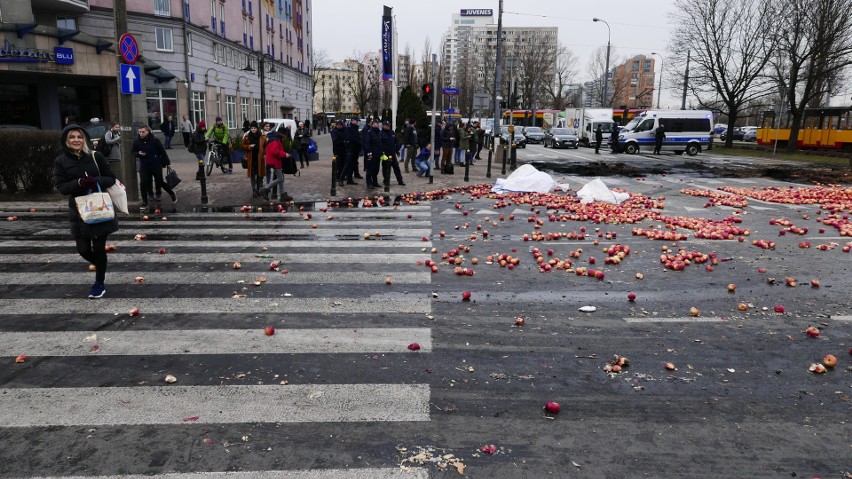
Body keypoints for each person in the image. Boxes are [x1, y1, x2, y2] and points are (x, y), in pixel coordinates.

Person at [53, 124, 119, 299]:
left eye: (79, 137)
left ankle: (99, 283)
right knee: (83, 250)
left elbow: (111, 178)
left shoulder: (96, 156)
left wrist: (95, 180)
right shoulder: (61, 161)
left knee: (98, 248)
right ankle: (101, 265)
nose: (76, 140)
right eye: (72, 137)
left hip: (99, 207)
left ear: (85, 140)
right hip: (78, 211)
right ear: (66, 141)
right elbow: (61, 187)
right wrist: (79, 183)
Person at [133, 125, 177, 207]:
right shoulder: (137, 141)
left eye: (143, 132)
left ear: (147, 132)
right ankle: (145, 202)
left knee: (160, 181)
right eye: (140, 132)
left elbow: (162, 151)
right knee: (143, 183)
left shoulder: (154, 140)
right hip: (144, 165)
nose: (141, 134)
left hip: (156, 164)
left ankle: (171, 193)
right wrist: (138, 153)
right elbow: (133, 151)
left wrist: (166, 162)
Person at [260, 130, 292, 202]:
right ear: (283, 135)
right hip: (275, 161)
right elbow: (275, 152)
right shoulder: (275, 140)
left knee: (280, 177)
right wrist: (284, 154)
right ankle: (265, 189)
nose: (284, 138)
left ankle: (282, 194)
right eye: (284, 136)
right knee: (280, 178)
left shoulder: (275, 139)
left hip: (275, 161)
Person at [241, 121, 267, 198]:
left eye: (254, 128)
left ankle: (258, 189)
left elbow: (266, 145)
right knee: (252, 175)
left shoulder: (262, 136)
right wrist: (249, 146)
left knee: (259, 175)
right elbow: (243, 146)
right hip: (251, 159)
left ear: (257, 128)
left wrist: (263, 153)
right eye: (252, 128)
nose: (253, 129)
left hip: (260, 158)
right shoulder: (247, 136)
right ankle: (254, 190)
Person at [380, 120, 405, 187]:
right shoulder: (381, 133)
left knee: (396, 167)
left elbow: (396, 142)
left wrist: (397, 151)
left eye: (389, 125)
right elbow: (380, 144)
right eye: (386, 125)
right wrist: (382, 153)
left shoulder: (392, 132)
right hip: (385, 153)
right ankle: (386, 180)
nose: (388, 127)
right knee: (385, 168)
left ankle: (400, 180)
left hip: (392, 153)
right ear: (383, 125)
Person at [332, 120, 354, 186]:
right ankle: (337, 176)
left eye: (340, 125)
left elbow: (347, 138)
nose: (339, 126)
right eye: (338, 125)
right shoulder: (334, 131)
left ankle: (343, 175)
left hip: (344, 150)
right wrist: (343, 142)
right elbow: (335, 141)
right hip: (337, 150)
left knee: (344, 163)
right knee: (338, 164)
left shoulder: (345, 131)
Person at [363, 119, 383, 189]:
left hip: (378, 154)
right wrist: (369, 153)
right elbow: (367, 143)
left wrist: (381, 152)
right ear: (372, 124)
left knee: (376, 169)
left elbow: (380, 143)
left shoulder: (379, 133)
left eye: (376, 123)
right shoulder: (369, 132)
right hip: (371, 154)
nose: (375, 124)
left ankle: (375, 182)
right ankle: (369, 183)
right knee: (370, 169)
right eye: (374, 123)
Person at [343, 117, 363, 183]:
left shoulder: (356, 128)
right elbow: (351, 138)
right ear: (352, 121)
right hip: (351, 149)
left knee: (353, 165)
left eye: (357, 121)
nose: (357, 122)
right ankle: (341, 178)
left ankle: (350, 179)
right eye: (356, 121)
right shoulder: (349, 128)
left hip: (356, 149)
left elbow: (358, 137)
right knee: (348, 165)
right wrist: (359, 142)